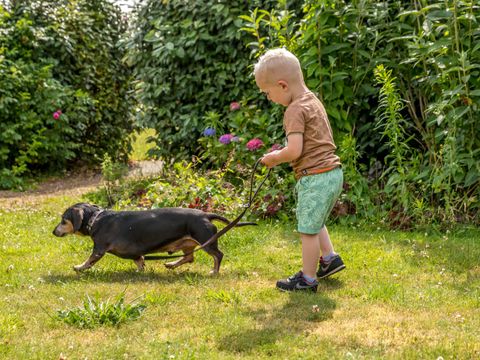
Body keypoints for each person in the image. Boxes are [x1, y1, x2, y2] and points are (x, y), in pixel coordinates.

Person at [255, 48, 345, 292]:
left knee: (307, 229)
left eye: (268, 92)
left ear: (282, 85)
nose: (269, 98)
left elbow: (294, 150)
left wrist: (274, 158)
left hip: (315, 176)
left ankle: (307, 278)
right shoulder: (313, 100)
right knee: (314, 219)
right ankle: (329, 258)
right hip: (332, 173)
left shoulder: (293, 109)